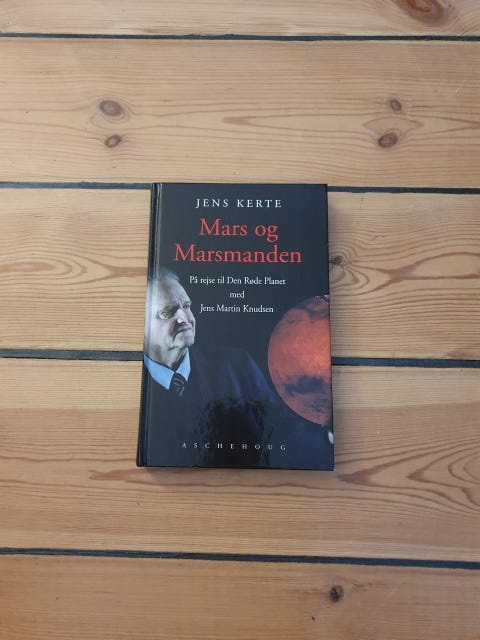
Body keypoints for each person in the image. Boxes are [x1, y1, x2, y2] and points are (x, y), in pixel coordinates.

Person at [138, 269, 279, 467]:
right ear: (141, 325)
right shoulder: (132, 389)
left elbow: (280, 426)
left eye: (187, 306)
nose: (184, 318)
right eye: (167, 312)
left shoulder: (237, 365)